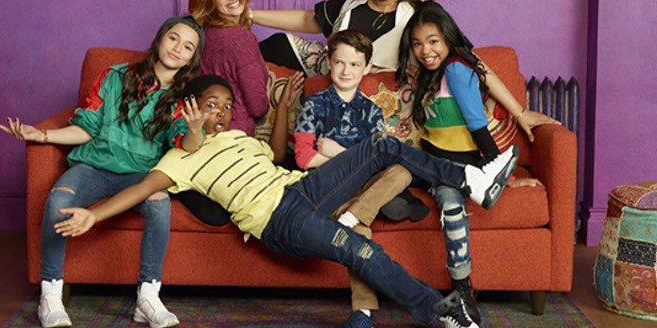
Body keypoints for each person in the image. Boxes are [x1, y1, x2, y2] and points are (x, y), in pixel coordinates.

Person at [52, 75, 523, 328]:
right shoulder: (178, 160)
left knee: (382, 146)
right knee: (362, 251)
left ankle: (472, 181)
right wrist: (93, 213)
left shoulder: (239, 138)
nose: (220, 113)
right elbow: (138, 190)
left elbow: (277, 154)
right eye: (209, 105)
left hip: (299, 189)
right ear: (188, 109)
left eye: (225, 105)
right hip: (278, 221)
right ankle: (441, 313)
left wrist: (281, 110)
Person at [0, 15, 215, 328]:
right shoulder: (115, 76)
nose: (177, 48)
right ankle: (50, 296)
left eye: (188, 47)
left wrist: (194, 129)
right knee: (58, 201)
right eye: (173, 38)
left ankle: (148, 298)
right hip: (93, 167)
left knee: (159, 202)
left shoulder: (183, 100)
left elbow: (187, 145)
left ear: (192, 59)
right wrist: (42, 135)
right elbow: (86, 128)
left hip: (139, 176)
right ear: (160, 38)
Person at [252, 0, 556, 141]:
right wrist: (250, 16)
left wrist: (520, 112)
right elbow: (310, 19)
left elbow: (469, 61)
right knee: (273, 45)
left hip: (381, 97)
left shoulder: (422, 11)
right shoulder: (352, 0)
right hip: (337, 71)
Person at [384, 1, 544, 324]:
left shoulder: (457, 69)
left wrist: (505, 176)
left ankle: (462, 289)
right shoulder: (428, 74)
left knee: (450, 203)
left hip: (459, 168)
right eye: (417, 44)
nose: (425, 51)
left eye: (433, 41)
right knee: (391, 166)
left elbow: (477, 125)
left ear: (448, 37)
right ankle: (402, 199)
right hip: (431, 160)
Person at [293, 29, 429, 327]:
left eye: (354, 64)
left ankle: (355, 214)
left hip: (364, 188)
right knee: (360, 234)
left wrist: (338, 152)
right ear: (329, 63)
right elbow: (303, 158)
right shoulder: (314, 105)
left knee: (402, 171)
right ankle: (364, 311)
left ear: (367, 68)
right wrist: (350, 160)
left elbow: (381, 164)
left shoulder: (371, 111)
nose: (346, 71)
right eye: (339, 62)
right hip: (328, 187)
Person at [189, 0, 270, 136]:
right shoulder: (240, 38)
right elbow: (258, 107)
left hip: (201, 134)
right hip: (234, 135)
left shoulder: (200, 34)